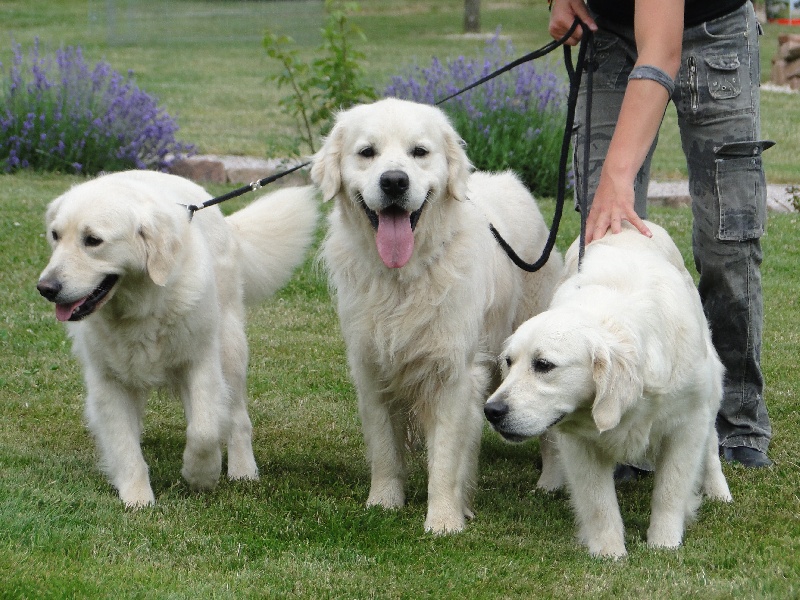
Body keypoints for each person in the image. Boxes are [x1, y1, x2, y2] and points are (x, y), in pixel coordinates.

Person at [548, 0, 773, 467]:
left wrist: (618, 173)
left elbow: (661, 49)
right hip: (608, 32)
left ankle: (738, 417)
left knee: (726, 239)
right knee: (606, 240)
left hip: (714, 32)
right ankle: (620, 417)